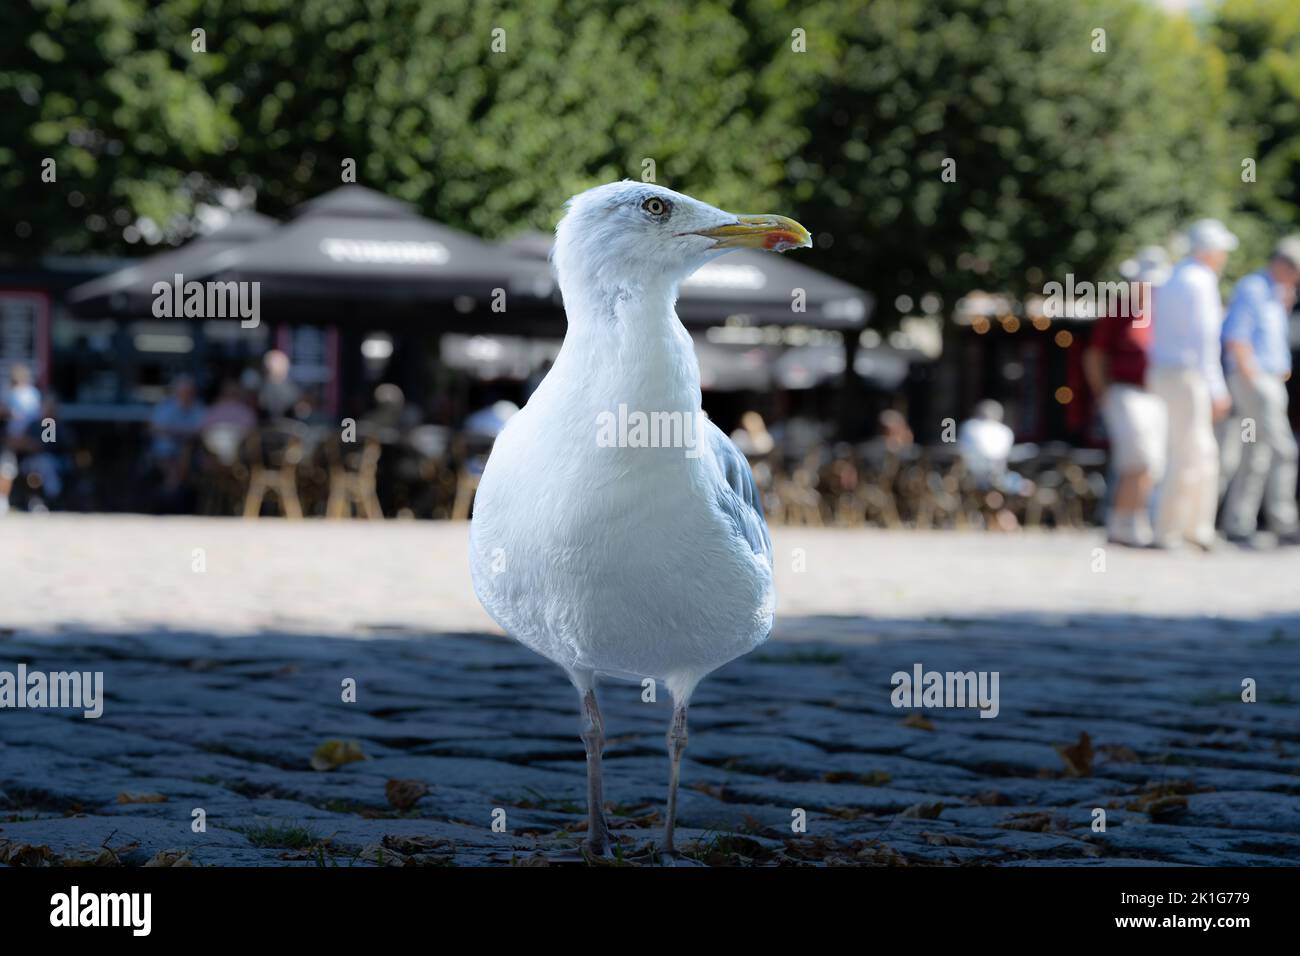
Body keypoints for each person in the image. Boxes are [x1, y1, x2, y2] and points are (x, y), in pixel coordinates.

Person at [1148, 219, 1236, 550]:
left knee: (1192, 452)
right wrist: (1216, 387)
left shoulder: (1175, 277)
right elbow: (1205, 339)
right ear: (1209, 251)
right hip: (1187, 375)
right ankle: (1176, 531)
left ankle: (1192, 530)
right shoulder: (1200, 281)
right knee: (1190, 454)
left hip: (1168, 372)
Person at [1083, 249, 1169, 547]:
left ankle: (1134, 519)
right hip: (1125, 391)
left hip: (1154, 394)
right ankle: (1122, 521)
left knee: (1152, 463)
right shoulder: (1119, 310)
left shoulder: (1160, 312)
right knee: (1137, 458)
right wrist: (1104, 394)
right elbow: (1094, 356)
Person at [1219, 236, 1300, 546]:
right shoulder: (1254, 288)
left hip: (1266, 380)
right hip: (1256, 381)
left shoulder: (1276, 293)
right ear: (1283, 264)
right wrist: (1254, 379)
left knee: (1257, 453)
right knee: (1284, 450)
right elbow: (1237, 336)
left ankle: (1239, 522)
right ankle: (1284, 522)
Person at [149, 374, 206, 491]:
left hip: (192, 452)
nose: (186, 395)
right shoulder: (166, 407)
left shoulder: (199, 408)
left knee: (187, 451)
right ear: (176, 392)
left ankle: (173, 491)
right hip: (165, 451)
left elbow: (203, 431)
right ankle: (174, 489)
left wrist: (179, 433)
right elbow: (154, 428)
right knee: (172, 463)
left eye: (189, 392)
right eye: (183, 392)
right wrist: (176, 433)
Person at [0, 365, 42, 515]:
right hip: (16, 441)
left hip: (24, 441)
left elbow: (44, 419)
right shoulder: (33, 394)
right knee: (8, 468)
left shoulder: (26, 394)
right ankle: (6, 501)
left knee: (30, 468)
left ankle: (33, 501)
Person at [958, 399, 1014, 486]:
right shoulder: (1006, 431)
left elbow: (962, 449)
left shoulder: (969, 426)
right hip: (998, 473)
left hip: (971, 474)